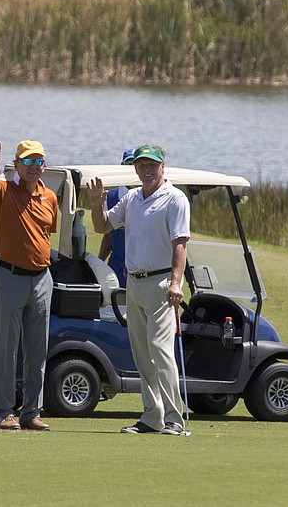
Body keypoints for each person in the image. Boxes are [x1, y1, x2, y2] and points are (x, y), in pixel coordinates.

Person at [89, 145, 190, 436]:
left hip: (160, 284)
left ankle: (174, 418)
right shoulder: (132, 197)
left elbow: (180, 245)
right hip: (133, 282)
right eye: (141, 165)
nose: (146, 170)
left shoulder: (175, 199)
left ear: (162, 166)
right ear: (135, 168)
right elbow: (101, 226)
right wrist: (97, 202)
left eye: (152, 165)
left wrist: (175, 282)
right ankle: (152, 416)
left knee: (160, 350)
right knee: (142, 353)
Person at [0, 140, 58, 431]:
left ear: (44, 165)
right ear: (16, 164)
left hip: (41, 278)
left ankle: (31, 412)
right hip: (9, 275)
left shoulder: (49, 197)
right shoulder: (4, 189)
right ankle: (3, 411)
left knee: (37, 350)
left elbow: (45, 234)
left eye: (38, 161)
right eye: (28, 161)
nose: (33, 167)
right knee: (7, 349)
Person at [97, 147, 135, 287]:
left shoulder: (148, 196)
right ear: (122, 166)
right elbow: (107, 235)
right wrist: (99, 263)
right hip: (116, 266)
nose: (133, 167)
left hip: (141, 268)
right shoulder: (111, 196)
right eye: (130, 163)